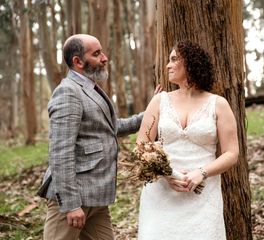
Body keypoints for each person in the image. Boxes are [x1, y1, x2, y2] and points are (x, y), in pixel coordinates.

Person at [37, 34, 160, 240]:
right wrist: (71, 204)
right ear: (77, 62)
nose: (104, 58)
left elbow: (111, 128)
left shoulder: (90, 88)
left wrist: (150, 111)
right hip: (74, 198)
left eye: (102, 52)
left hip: (96, 197)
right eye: (96, 54)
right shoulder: (68, 92)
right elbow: (60, 152)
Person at [136, 40, 239, 239]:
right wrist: (167, 174)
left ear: (191, 64)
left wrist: (201, 173)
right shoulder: (159, 101)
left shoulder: (218, 104)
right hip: (161, 193)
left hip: (203, 196)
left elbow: (231, 153)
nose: (168, 65)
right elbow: (142, 146)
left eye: (174, 59)